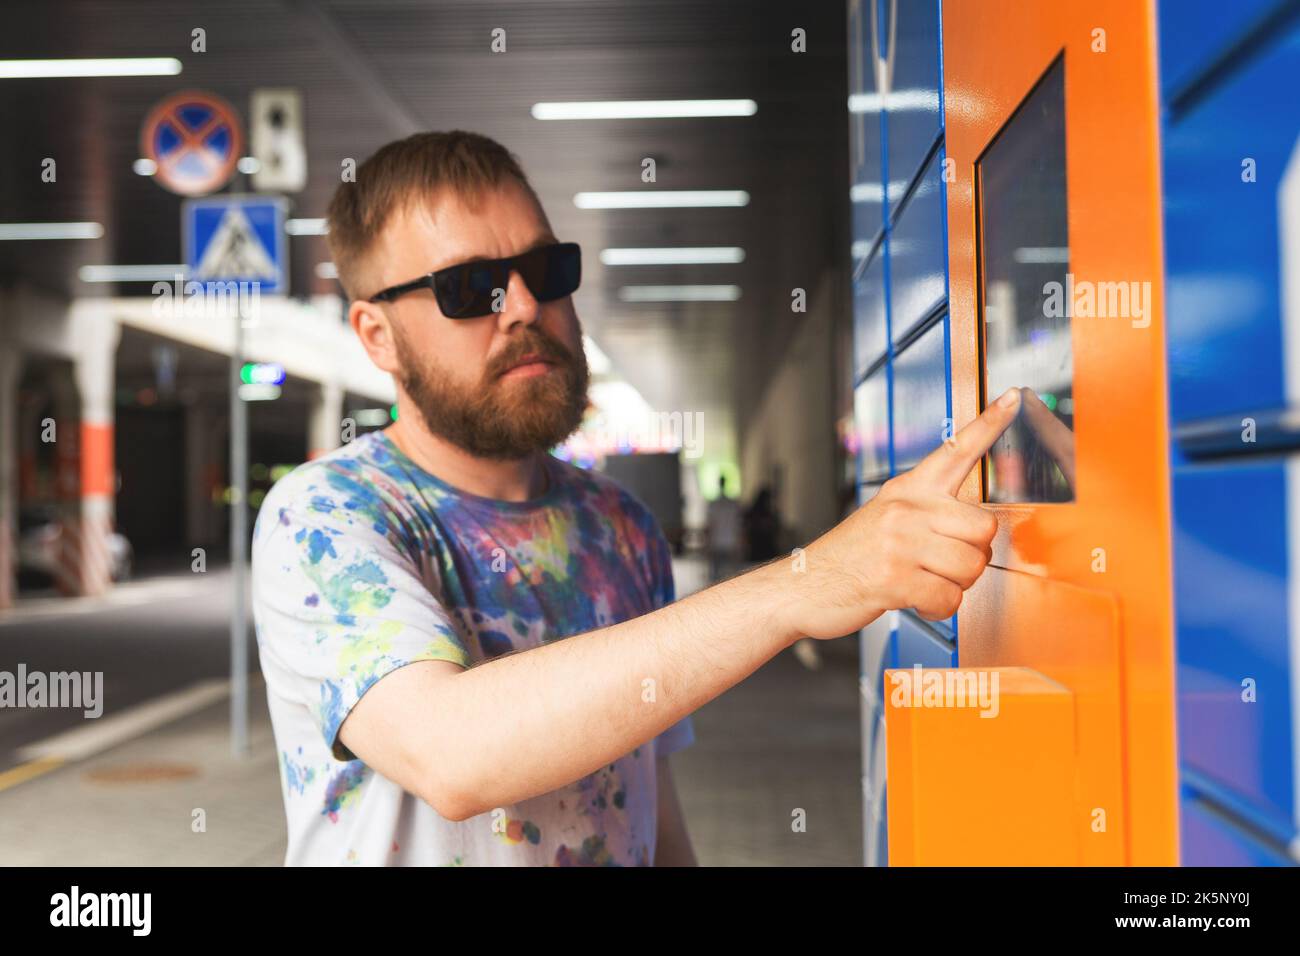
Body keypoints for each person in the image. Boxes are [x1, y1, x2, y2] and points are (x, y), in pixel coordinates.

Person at [251, 130, 1020, 867]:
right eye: (470, 286)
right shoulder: (323, 518)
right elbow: (451, 755)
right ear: (376, 335)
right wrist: (806, 583)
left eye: (545, 270)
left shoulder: (619, 526)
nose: (522, 306)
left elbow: (649, 807)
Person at [705, 475, 743, 583]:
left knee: (716, 575)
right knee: (732, 574)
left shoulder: (714, 504)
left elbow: (711, 525)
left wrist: (708, 542)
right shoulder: (732, 504)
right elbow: (737, 525)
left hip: (717, 541)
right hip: (730, 541)